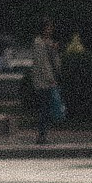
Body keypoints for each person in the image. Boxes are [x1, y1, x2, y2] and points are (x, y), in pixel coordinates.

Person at [27, 18, 63, 146]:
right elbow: (42, 63)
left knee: (47, 108)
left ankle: (44, 133)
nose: (49, 30)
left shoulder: (49, 42)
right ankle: (41, 134)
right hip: (43, 81)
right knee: (44, 108)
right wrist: (50, 79)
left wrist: (54, 50)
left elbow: (54, 61)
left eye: (51, 27)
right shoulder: (38, 43)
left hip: (50, 79)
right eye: (47, 27)